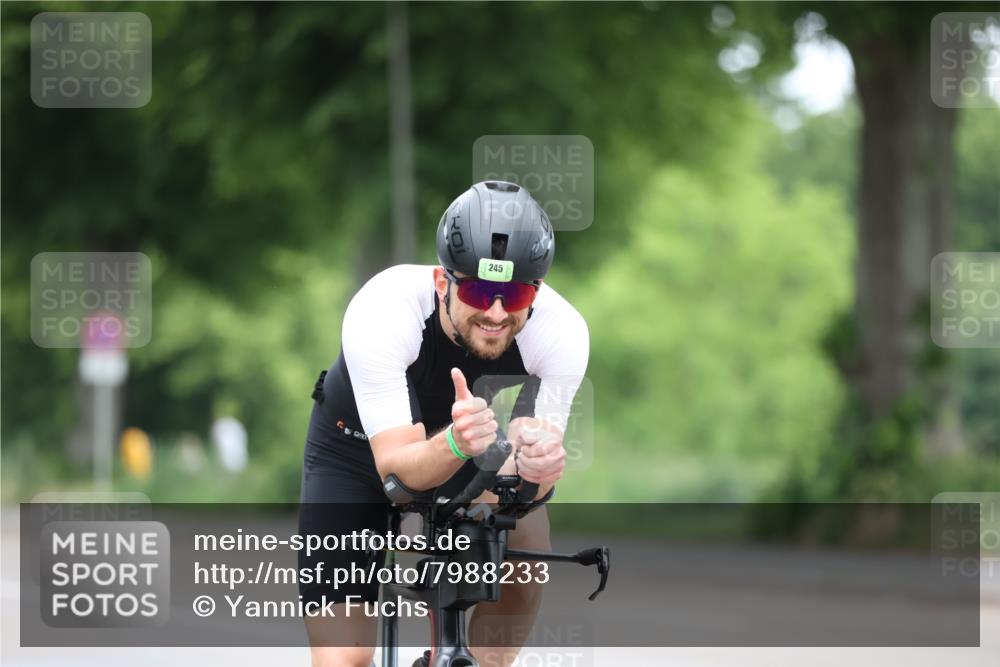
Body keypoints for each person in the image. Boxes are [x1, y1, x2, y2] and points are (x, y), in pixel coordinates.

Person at [299, 180, 589, 667]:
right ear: (442, 283)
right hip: (355, 453)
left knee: (528, 551)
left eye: (515, 294)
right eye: (477, 289)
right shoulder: (384, 307)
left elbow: (528, 482)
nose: (496, 312)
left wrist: (537, 470)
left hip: (468, 443)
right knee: (344, 657)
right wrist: (454, 442)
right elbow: (398, 475)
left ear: (535, 293)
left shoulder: (561, 331)